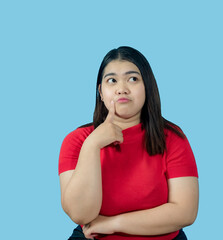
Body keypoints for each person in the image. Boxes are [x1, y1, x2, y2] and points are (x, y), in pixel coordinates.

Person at [58, 46, 199, 240]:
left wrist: (112, 224)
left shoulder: (172, 137)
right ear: (100, 91)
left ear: (147, 87)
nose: (121, 88)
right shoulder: (78, 140)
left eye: (133, 79)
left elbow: (186, 212)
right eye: (112, 80)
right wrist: (92, 145)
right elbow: (81, 215)